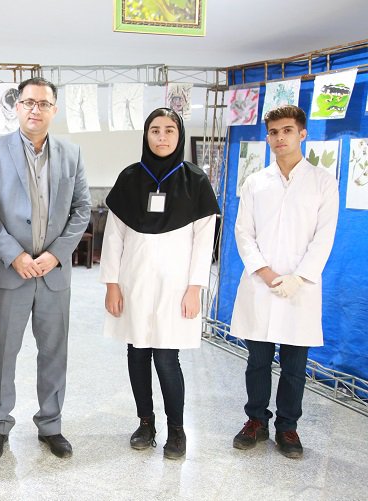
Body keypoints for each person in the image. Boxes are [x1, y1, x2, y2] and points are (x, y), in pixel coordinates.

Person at [0, 77, 91, 459]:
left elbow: (82, 209)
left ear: (54, 109)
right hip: (10, 273)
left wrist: (56, 254)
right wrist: (15, 255)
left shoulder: (71, 154)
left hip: (54, 274)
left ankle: (51, 425)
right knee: (2, 353)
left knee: (54, 353)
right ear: (17, 107)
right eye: (28, 102)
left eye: (43, 103)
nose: (35, 109)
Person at [100, 108, 219, 460]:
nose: (162, 137)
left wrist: (195, 288)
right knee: (137, 353)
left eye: (169, 130)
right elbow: (114, 237)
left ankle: (177, 430)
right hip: (133, 282)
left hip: (176, 287)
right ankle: (145, 423)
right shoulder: (129, 178)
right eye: (155, 130)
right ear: (146, 135)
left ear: (179, 135)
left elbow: (204, 242)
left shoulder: (195, 180)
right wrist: (111, 284)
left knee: (167, 359)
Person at [230, 105, 338, 459]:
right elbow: (244, 233)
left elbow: (324, 237)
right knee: (258, 361)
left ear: (302, 134)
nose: (280, 138)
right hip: (261, 285)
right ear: (268, 138)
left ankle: (288, 426)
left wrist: (299, 277)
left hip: (300, 289)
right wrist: (266, 273)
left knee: (294, 366)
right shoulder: (255, 182)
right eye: (274, 132)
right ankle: (256, 420)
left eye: (287, 130)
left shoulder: (323, 182)